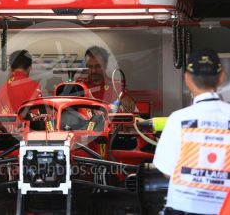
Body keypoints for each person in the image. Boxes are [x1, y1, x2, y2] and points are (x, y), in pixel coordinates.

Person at [153, 48, 230, 214]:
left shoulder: (177, 119)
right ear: (222, 77)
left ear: (187, 79)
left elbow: (167, 171)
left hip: (185, 208)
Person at [80, 46, 136, 112]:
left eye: (98, 66)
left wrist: (128, 99)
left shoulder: (117, 85)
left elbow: (129, 104)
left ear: (105, 65)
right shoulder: (79, 85)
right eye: (90, 67)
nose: (93, 71)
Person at [0, 50, 42, 116]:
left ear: (11, 68)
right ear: (30, 68)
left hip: (4, 126)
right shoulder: (34, 86)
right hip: (26, 126)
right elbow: (39, 117)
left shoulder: (1, 90)